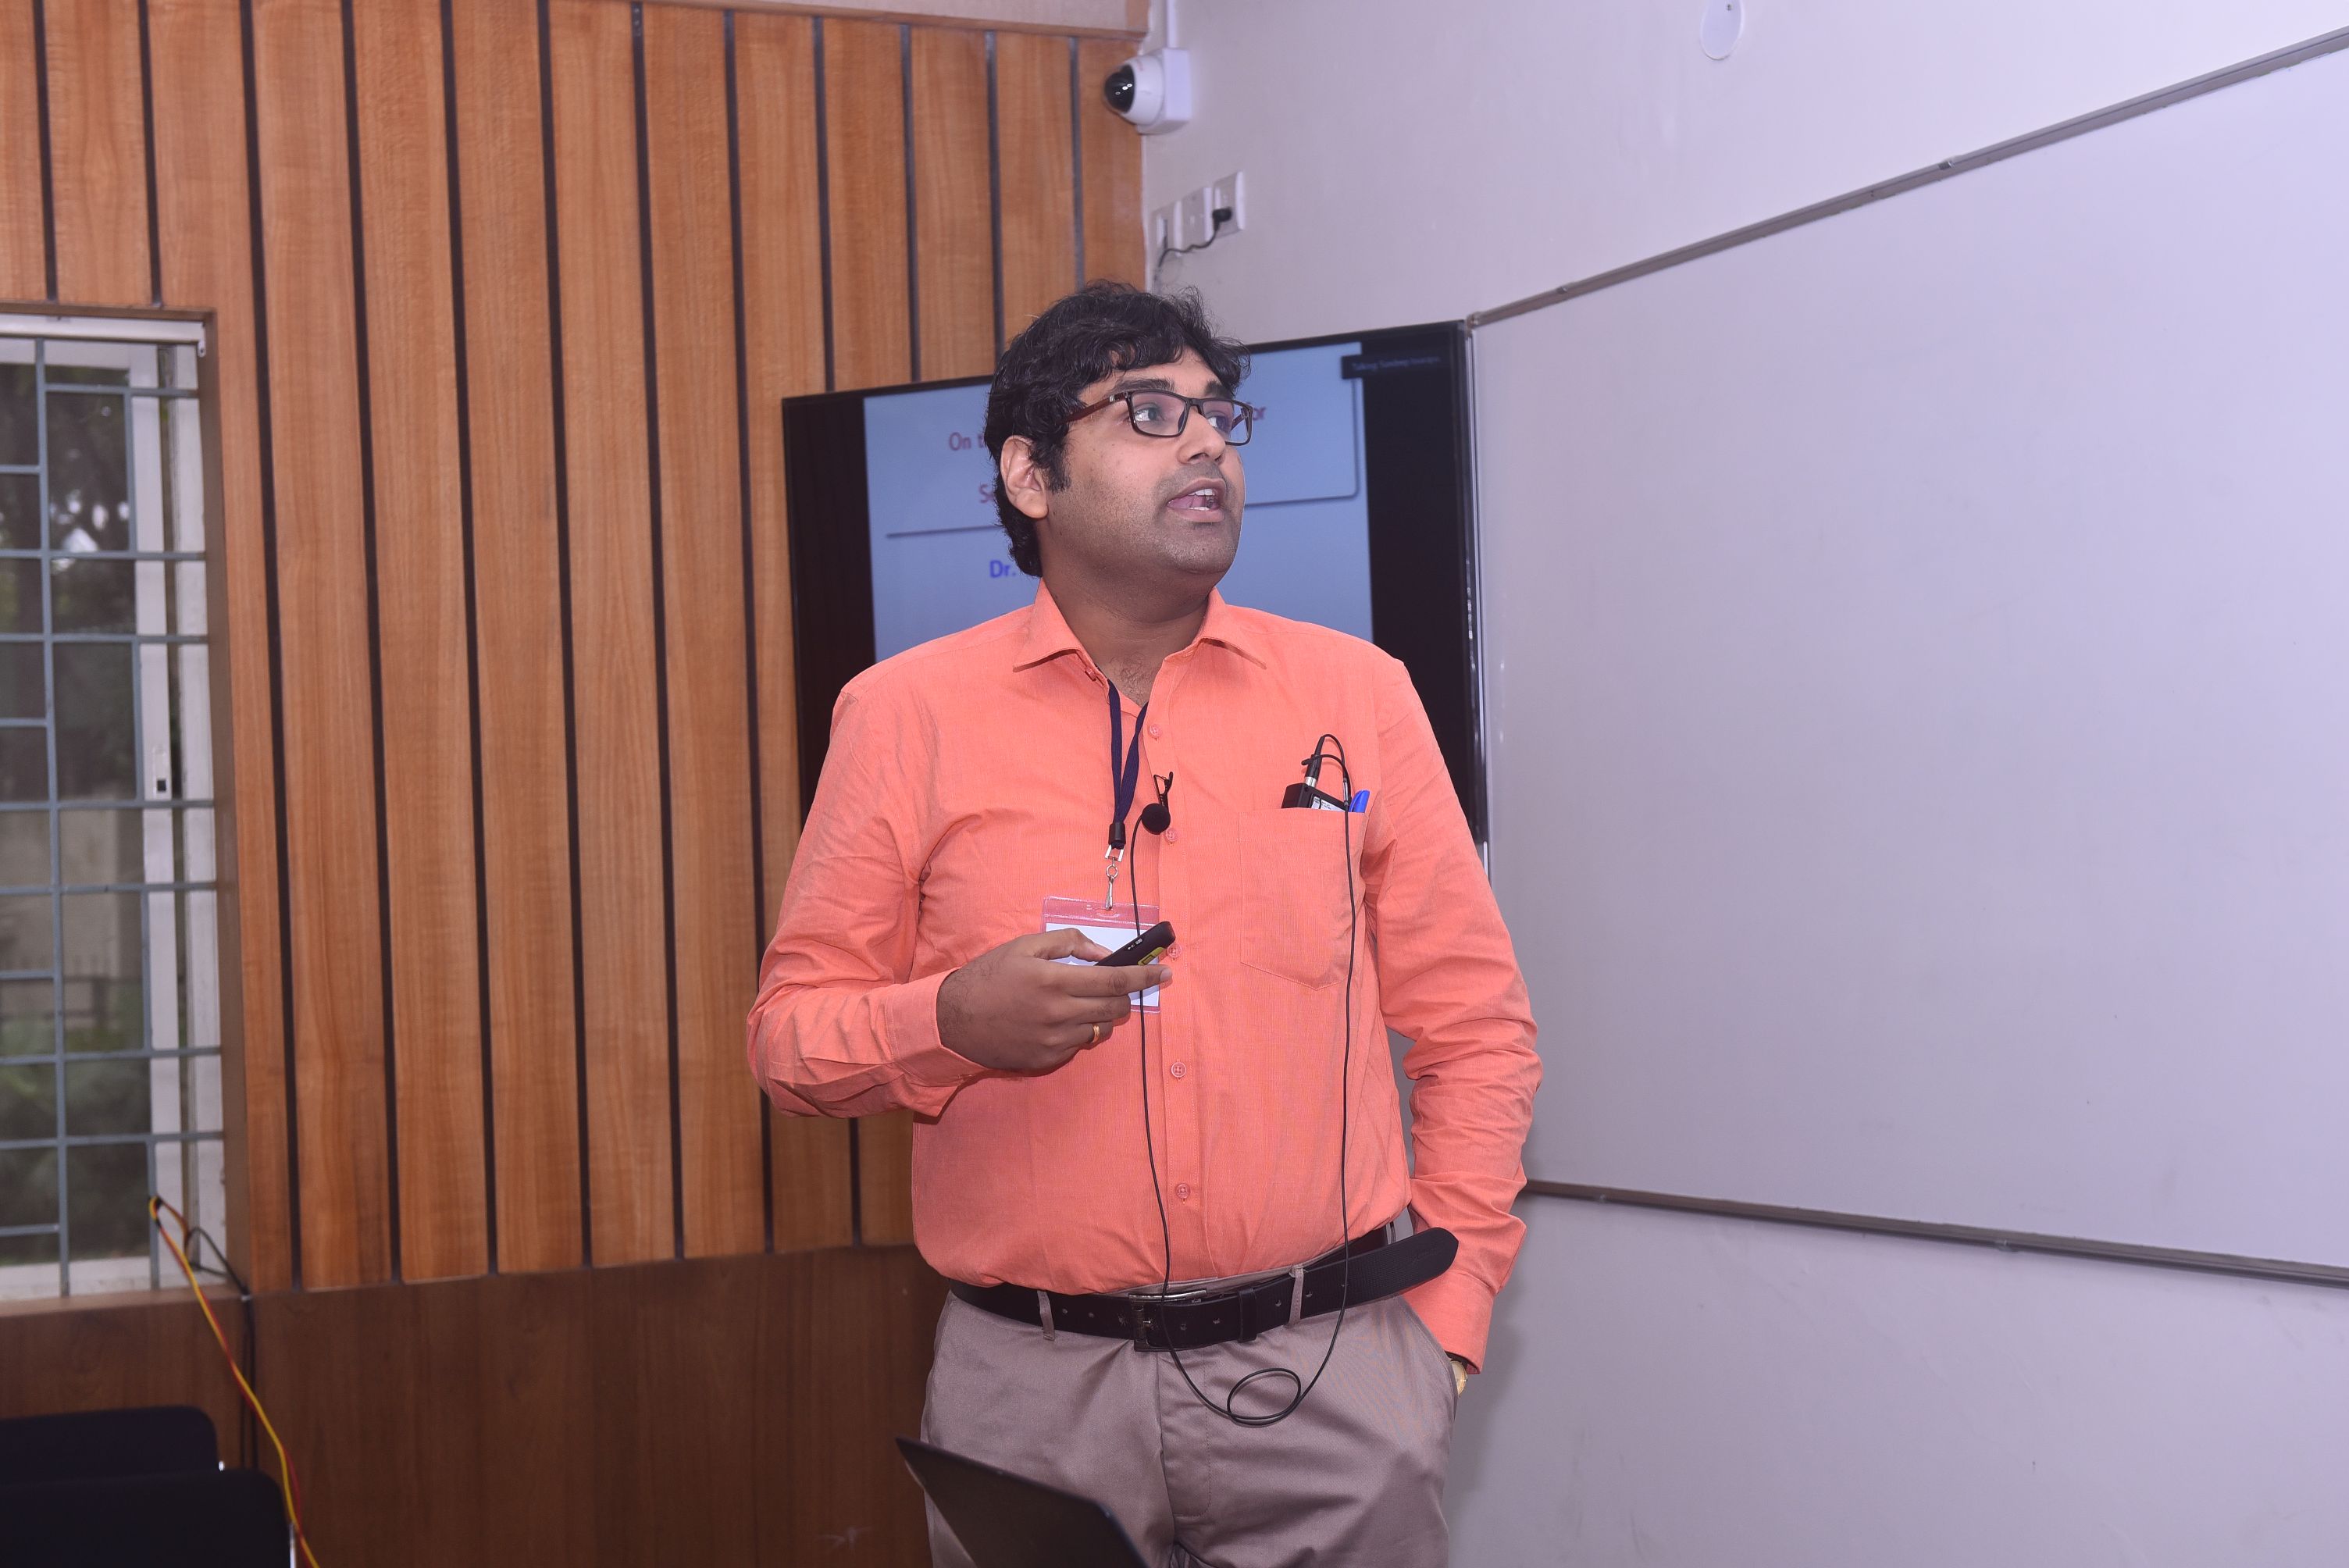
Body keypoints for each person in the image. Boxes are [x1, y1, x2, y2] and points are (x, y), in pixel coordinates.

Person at [748, 282, 1538, 1566]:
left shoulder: (1358, 696)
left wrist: (1443, 1322)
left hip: (1334, 1376)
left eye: (1220, 414)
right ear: (1030, 475)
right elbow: (790, 1044)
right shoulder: (903, 717)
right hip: (1033, 1394)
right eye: (1151, 413)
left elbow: (1478, 1031)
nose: (1208, 442)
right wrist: (951, 1022)